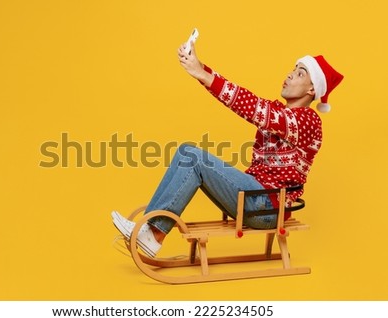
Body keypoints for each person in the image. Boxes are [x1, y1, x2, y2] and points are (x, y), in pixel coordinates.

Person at [112, 40, 343, 258]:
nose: (290, 74)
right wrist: (200, 69)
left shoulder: (308, 121)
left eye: (300, 73)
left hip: (266, 207)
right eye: (293, 68)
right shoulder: (279, 112)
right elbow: (249, 104)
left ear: (313, 90)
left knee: (192, 157)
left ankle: (154, 235)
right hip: (254, 197)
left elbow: (250, 105)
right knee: (186, 152)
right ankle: (151, 229)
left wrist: (202, 73)